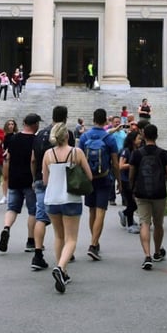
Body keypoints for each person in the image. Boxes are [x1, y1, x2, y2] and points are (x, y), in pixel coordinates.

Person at [43, 121, 93, 293]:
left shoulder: (48, 154)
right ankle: (60, 267)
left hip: (52, 198)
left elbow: (45, 180)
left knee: (59, 236)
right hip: (71, 198)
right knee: (71, 239)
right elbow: (89, 175)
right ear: (66, 135)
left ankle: (62, 271)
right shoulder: (76, 152)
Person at [30, 104, 73, 272]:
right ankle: (66, 250)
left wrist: (35, 178)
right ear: (65, 117)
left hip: (42, 178)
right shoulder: (65, 134)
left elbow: (33, 159)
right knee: (64, 216)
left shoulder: (40, 134)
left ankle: (38, 253)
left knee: (41, 217)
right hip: (61, 181)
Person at [129, 123, 167, 270]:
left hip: (142, 192)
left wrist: (132, 188)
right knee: (159, 223)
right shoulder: (164, 154)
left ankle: (147, 255)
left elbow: (132, 174)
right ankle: (157, 252)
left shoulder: (137, 153)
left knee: (144, 223)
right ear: (157, 136)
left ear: (143, 135)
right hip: (159, 193)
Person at [78, 107, 121, 261]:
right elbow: (115, 164)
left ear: (94, 119)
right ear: (105, 121)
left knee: (91, 211)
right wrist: (119, 182)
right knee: (101, 211)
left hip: (89, 179)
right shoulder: (109, 138)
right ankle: (93, 243)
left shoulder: (84, 137)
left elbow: (79, 159)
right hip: (104, 178)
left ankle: (94, 242)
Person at [0, 113, 41, 254]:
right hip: (29, 180)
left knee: (12, 208)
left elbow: (7, 158)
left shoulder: (13, 138)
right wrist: (35, 178)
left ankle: (6, 227)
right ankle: (30, 240)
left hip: (14, 178)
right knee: (33, 211)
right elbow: (33, 160)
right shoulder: (35, 140)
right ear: (34, 124)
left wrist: (8, 176)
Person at [117, 125, 142, 233]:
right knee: (132, 203)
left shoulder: (138, 151)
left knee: (134, 202)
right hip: (126, 180)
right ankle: (129, 220)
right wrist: (132, 164)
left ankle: (128, 217)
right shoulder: (126, 151)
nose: (140, 140)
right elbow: (120, 165)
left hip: (135, 179)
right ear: (133, 140)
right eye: (138, 139)